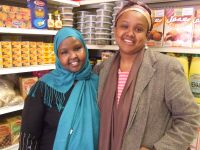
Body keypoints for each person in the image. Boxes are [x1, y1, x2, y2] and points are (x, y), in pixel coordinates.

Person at [94, 1, 200, 150]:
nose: (130, 33)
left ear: (147, 35)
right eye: (124, 26)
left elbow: (190, 118)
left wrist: (158, 148)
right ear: (115, 29)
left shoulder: (167, 68)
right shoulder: (101, 69)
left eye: (139, 29)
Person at [19, 27, 100, 150]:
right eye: (64, 52)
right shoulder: (43, 88)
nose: (73, 56)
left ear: (85, 48)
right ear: (57, 55)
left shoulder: (98, 83)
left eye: (78, 48)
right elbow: (29, 135)